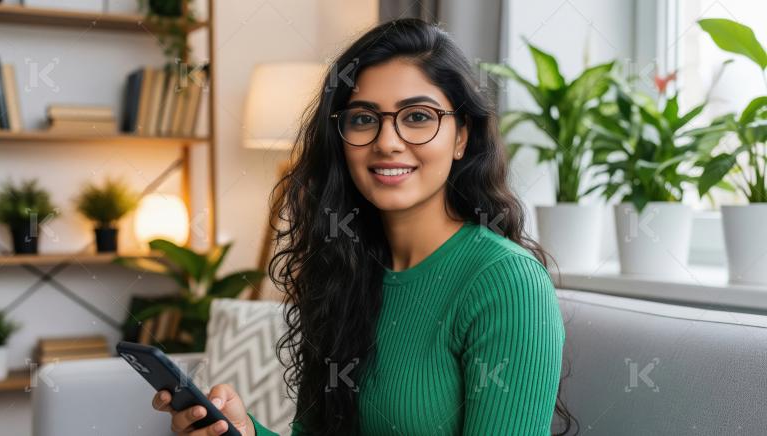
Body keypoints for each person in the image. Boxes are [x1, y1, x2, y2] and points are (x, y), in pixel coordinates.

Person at [152, 17, 576, 436]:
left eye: (417, 117)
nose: (387, 142)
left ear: (461, 137)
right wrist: (243, 432)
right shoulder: (343, 267)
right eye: (362, 119)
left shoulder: (506, 283)